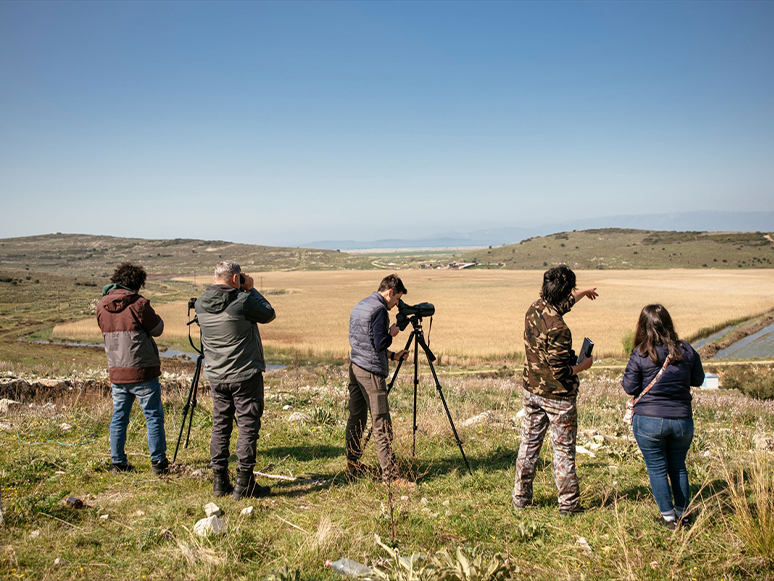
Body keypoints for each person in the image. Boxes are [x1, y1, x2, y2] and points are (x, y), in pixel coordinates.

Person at [512, 265, 598, 515]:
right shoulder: (559, 328)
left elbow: (559, 304)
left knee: (528, 446)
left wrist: (583, 292)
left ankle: (521, 498)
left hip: (532, 391)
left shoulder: (533, 309)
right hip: (558, 398)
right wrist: (582, 365)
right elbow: (561, 371)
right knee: (563, 451)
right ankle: (569, 506)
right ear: (563, 292)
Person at [195, 260, 276, 499]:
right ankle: (244, 483)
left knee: (220, 427)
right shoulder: (242, 301)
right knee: (248, 427)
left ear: (214, 279)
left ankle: (220, 481)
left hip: (216, 376)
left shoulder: (200, 304)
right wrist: (250, 288)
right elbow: (268, 313)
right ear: (235, 279)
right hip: (244, 375)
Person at [622, 304, 704, 529]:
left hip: (649, 420)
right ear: (668, 323)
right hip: (682, 420)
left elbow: (629, 387)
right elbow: (698, 379)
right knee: (678, 466)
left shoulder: (640, 353)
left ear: (643, 326)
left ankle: (668, 518)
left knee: (657, 467)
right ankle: (684, 516)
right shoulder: (685, 349)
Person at [96, 262, 169, 475]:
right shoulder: (139, 304)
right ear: (137, 283)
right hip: (143, 370)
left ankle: (118, 462)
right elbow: (158, 329)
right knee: (153, 416)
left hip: (117, 370)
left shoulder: (101, 306)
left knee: (119, 417)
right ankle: (158, 463)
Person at [345, 274, 412, 486]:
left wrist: (393, 356)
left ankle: (352, 465)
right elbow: (380, 341)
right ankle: (390, 477)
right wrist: (392, 332)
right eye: (397, 298)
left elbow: (367, 343)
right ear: (390, 292)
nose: (397, 304)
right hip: (371, 373)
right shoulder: (380, 309)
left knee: (356, 418)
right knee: (381, 422)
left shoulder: (361, 305)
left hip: (355, 366)